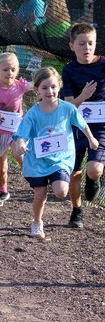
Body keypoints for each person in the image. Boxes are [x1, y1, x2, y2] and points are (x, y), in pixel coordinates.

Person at [12, 67, 98, 240]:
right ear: (37, 90)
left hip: (60, 158)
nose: (49, 91)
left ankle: (56, 179)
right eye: (44, 88)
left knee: (61, 192)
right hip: (38, 160)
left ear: (59, 86)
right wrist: (20, 144)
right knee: (40, 194)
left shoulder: (67, 108)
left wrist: (91, 139)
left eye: (53, 87)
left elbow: (82, 124)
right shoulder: (33, 113)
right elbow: (22, 133)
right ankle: (37, 222)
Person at [61, 23, 105, 229]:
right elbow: (69, 104)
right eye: (81, 44)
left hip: (100, 128)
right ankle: (76, 210)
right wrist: (84, 96)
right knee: (73, 174)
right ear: (72, 46)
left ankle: (93, 180)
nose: (87, 48)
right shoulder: (69, 70)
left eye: (90, 43)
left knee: (94, 170)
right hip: (76, 127)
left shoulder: (103, 65)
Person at [0, 52, 32, 207]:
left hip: (16, 131)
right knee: (2, 167)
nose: (9, 73)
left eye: (13, 69)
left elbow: (38, 84)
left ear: (17, 71)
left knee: (19, 154)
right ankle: (2, 191)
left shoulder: (20, 86)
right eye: (5, 69)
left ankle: (33, 176)